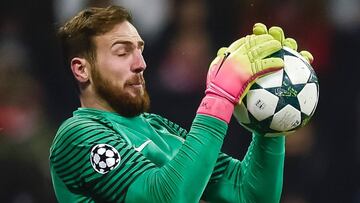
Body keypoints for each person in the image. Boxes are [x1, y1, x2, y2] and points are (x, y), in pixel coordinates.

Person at [49, 5, 313, 203]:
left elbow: (250, 194)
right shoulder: (77, 134)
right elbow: (167, 198)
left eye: (140, 49)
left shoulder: (159, 127)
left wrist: (270, 113)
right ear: (81, 70)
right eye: (122, 52)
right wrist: (220, 96)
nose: (140, 63)